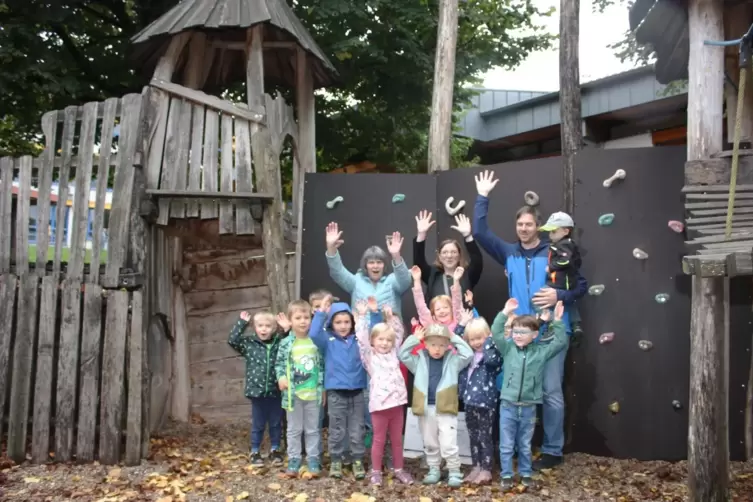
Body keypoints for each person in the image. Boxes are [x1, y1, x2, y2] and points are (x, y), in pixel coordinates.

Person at [472, 169, 588, 470]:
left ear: (540, 226)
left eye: (529, 224)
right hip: (518, 334)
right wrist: (482, 197)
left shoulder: (555, 252)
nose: (524, 229)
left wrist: (557, 297)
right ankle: (508, 450)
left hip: (549, 332)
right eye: (520, 224)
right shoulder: (508, 252)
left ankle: (552, 450)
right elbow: (481, 232)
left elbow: (581, 286)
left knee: (550, 392)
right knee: (510, 393)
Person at [490, 298, 568, 490]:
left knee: (525, 444)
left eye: (523, 332)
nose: (517, 335)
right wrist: (505, 311)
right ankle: (506, 475)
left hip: (528, 407)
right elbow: (496, 332)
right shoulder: (508, 349)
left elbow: (559, 343)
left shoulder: (541, 352)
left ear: (534, 334)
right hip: (508, 405)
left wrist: (557, 321)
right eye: (516, 332)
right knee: (506, 445)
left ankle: (525, 474)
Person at [398, 323, 473, 487]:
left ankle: (454, 470)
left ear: (448, 346)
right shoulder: (418, 360)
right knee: (430, 441)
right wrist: (414, 339)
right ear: (425, 344)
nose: (437, 349)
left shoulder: (453, 360)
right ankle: (434, 469)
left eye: (442, 345)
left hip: (446, 409)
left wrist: (454, 338)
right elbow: (402, 354)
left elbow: (468, 354)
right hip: (426, 409)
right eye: (433, 344)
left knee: (448, 442)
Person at [353, 300, 415, 486]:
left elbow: (398, 333)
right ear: (373, 341)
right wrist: (363, 317)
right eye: (380, 339)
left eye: (388, 340)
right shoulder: (370, 357)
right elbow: (362, 339)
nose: (385, 343)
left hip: (397, 404)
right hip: (379, 406)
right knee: (379, 440)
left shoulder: (394, 354)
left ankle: (399, 469)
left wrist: (390, 318)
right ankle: (376, 471)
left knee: (397, 440)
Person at [309, 295, 368, 480]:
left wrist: (366, 316)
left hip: (357, 391)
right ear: (331, 323)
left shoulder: (359, 339)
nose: (343, 326)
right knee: (336, 428)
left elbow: (372, 333)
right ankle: (336, 459)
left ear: (352, 322)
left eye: (346, 321)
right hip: (336, 393)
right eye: (338, 322)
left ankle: (356, 459)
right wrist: (321, 312)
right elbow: (313, 334)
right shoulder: (327, 340)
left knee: (357, 427)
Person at [274, 300, 324, 477]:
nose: (303, 321)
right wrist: (281, 377)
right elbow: (279, 363)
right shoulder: (286, 343)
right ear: (290, 320)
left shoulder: (316, 341)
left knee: (312, 429)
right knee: (294, 430)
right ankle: (294, 460)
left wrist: (323, 388)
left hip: (313, 394)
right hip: (293, 395)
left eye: (306, 317)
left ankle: (313, 460)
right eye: (298, 318)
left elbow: (323, 365)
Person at [227, 310, 284, 466]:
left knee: (275, 422)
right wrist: (241, 323)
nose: (264, 329)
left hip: (276, 391)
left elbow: (291, 342)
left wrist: (287, 329)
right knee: (258, 424)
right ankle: (255, 451)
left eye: (268, 326)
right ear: (254, 327)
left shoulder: (279, 342)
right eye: (260, 326)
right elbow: (232, 340)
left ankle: (275, 449)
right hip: (256, 392)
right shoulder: (249, 344)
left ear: (274, 328)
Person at [325, 222, 412, 315]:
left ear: (384, 265)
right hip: (361, 329)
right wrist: (331, 248)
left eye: (379, 262)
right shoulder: (356, 281)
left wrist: (396, 256)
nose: (375, 266)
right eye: (371, 262)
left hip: (389, 329)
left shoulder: (392, 281)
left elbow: (405, 280)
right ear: (365, 265)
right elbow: (337, 272)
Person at [457, 317, 502, 485]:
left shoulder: (491, 354)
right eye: (472, 339)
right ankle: (476, 465)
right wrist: (461, 326)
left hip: (486, 402)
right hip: (469, 402)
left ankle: (486, 468)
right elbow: (455, 343)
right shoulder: (468, 355)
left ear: (488, 336)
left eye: (480, 338)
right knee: (473, 436)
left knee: (485, 436)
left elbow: (492, 361)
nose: (476, 343)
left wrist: (490, 341)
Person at [413, 211, 483, 308]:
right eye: (445, 252)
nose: (449, 256)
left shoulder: (467, 274)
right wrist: (421, 234)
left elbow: (477, 260)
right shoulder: (432, 275)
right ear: (440, 257)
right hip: (436, 322)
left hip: (463, 322)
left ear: (459, 255)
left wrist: (468, 236)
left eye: (453, 252)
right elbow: (418, 261)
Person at [538, 211, 582, 327]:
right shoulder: (562, 245)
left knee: (537, 300)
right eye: (549, 232)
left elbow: (566, 260)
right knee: (569, 304)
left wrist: (551, 267)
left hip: (560, 284)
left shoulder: (564, 245)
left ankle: (548, 321)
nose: (550, 235)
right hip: (564, 282)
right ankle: (575, 324)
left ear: (566, 231)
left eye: (553, 231)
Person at [411, 265, 465, 332]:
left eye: (445, 307)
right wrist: (416, 280)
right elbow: (420, 306)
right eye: (438, 309)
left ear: (452, 309)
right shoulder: (431, 324)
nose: (442, 311)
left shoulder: (457, 319)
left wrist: (456, 280)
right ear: (433, 313)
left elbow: (457, 302)